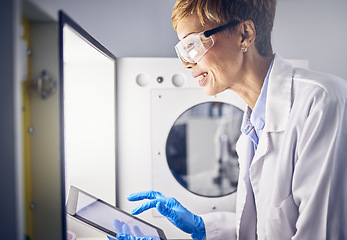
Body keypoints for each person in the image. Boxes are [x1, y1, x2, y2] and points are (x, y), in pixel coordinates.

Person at [114, 0, 347, 239]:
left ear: (244, 35)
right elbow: (263, 228)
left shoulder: (322, 102)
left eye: (192, 44)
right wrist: (202, 227)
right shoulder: (252, 128)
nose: (186, 62)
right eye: (182, 49)